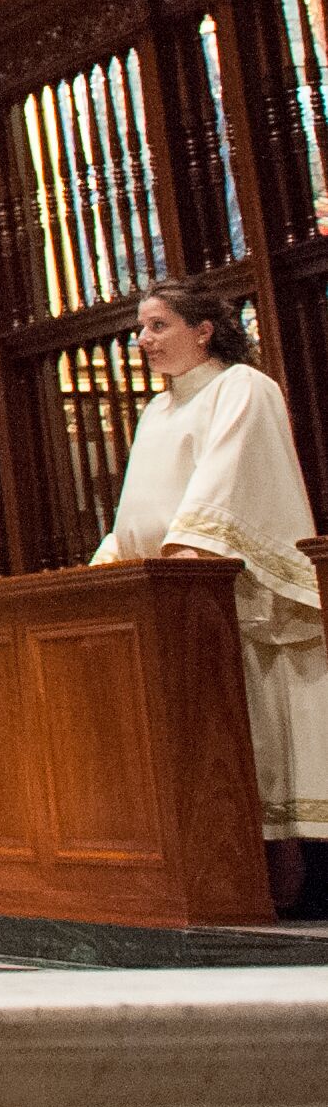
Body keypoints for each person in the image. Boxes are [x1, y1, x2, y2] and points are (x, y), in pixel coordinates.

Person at [91, 278, 328, 914]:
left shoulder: (243, 388)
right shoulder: (155, 412)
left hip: (227, 595)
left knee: (259, 737)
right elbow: (137, 504)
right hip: (164, 592)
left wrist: (187, 553)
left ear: (204, 331)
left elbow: (224, 484)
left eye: (158, 325)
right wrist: (111, 561)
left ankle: (289, 875)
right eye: (141, 329)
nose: (143, 340)